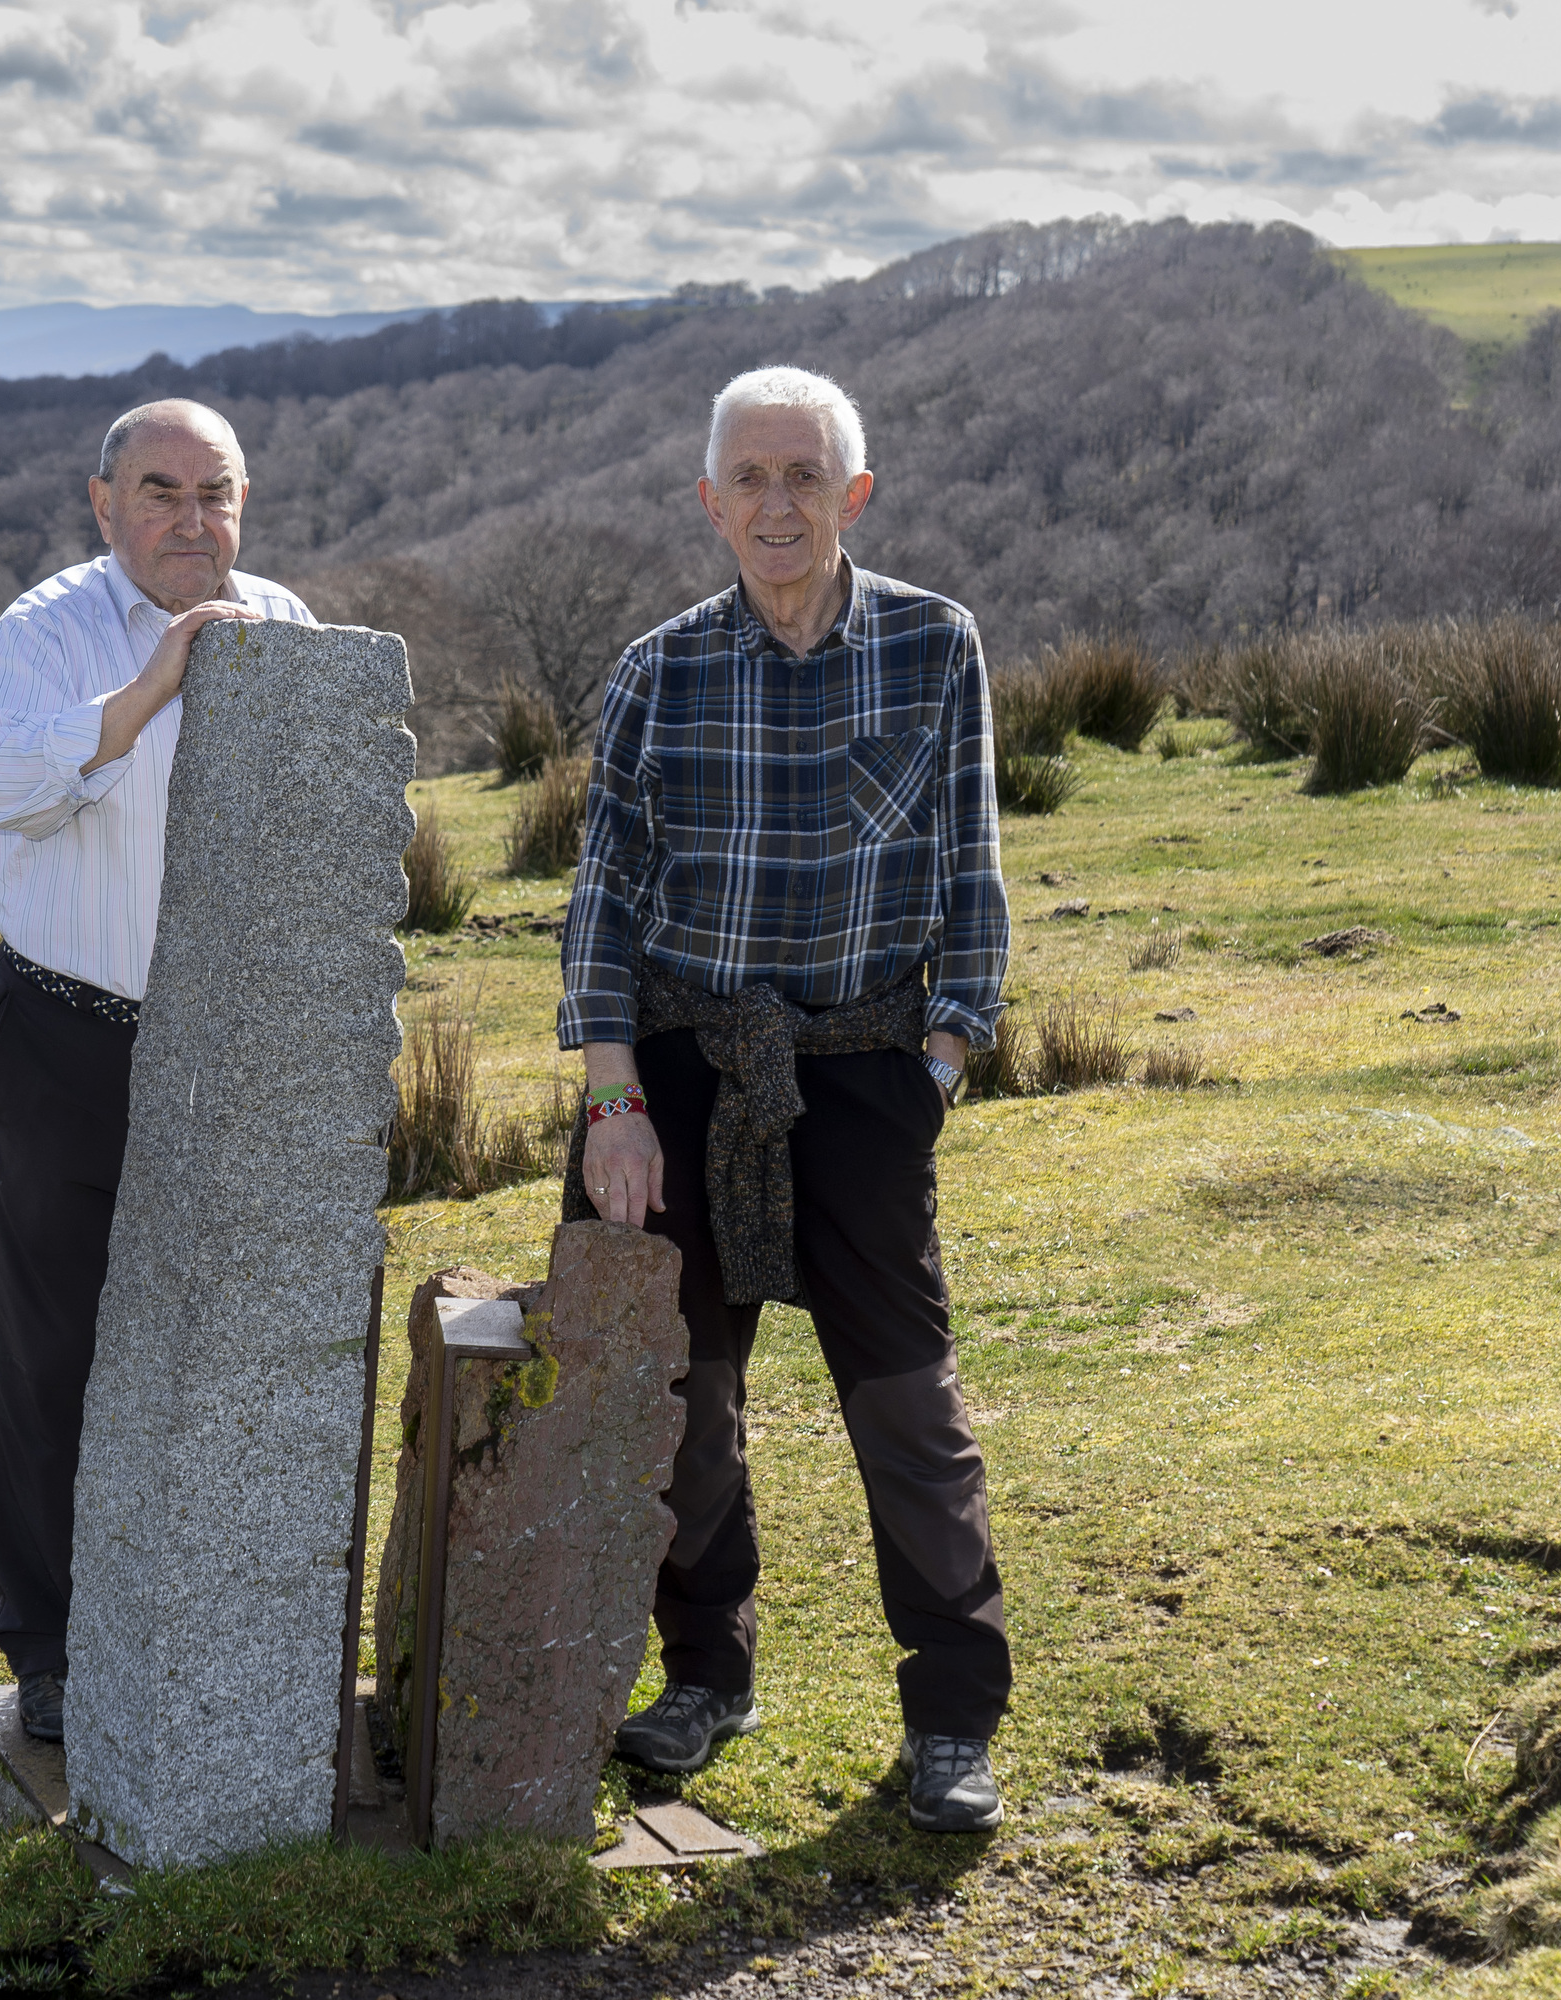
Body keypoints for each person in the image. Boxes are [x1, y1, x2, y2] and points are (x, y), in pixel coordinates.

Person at [558, 365, 1015, 1832]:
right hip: (682, 1076)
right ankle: (707, 1676)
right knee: (674, 1393)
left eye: (803, 476)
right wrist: (614, 1104)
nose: (775, 504)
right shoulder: (655, 671)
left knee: (907, 1402)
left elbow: (974, 877)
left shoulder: (937, 649)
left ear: (854, 495)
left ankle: (954, 1721)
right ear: (708, 502)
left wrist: (937, 1065)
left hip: (863, 1072)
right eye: (748, 478)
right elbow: (603, 905)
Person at [0, 399, 312, 1742]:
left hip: (234, 1044)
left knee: (226, 1344)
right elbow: (2, 783)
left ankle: (212, 1617)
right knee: (58, 1350)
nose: (190, 521)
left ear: (244, 501)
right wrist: (151, 685)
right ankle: (50, 1648)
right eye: (159, 493)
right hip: (66, 1033)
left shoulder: (286, 623)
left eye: (214, 495)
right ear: (103, 503)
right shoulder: (46, 632)